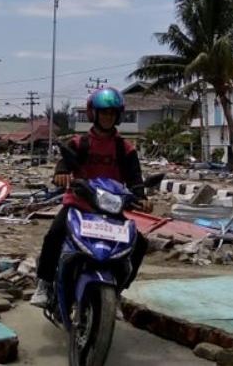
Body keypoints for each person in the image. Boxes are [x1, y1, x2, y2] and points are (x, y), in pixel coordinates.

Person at [30, 87, 152, 307]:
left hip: (111, 210)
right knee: (54, 234)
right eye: (103, 112)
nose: (107, 116)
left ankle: (117, 290)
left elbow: (135, 178)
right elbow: (64, 163)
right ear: (93, 114)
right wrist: (61, 174)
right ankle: (44, 284)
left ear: (118, 116)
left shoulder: (125, 148)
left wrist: (141, 196)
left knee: (139, 243)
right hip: (79, 205)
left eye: (112, 113)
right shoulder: (79, 143)